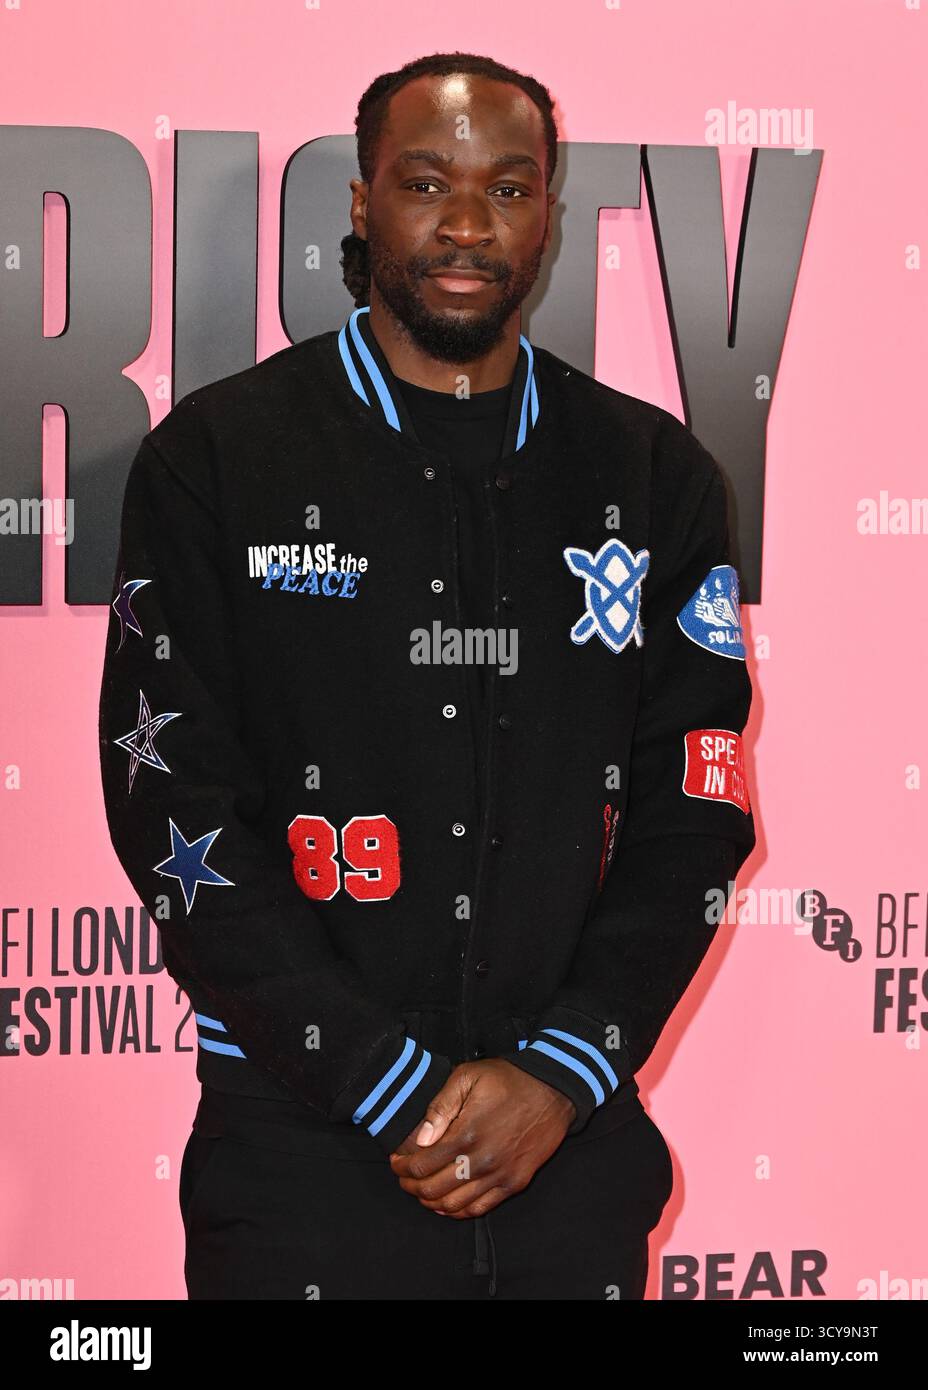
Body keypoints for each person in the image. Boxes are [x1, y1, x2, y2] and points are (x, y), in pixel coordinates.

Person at [98, 50, 756, 1300]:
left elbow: (696, 811)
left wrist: (559, 1074)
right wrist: (388, 1084)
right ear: (361, 202)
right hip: (298, 1152)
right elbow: (174, 803)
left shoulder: (653, 475)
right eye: (425, 183)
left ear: (548, 214)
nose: (466, 224)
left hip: (569, 1157)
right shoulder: (218, 460)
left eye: (507, 189)